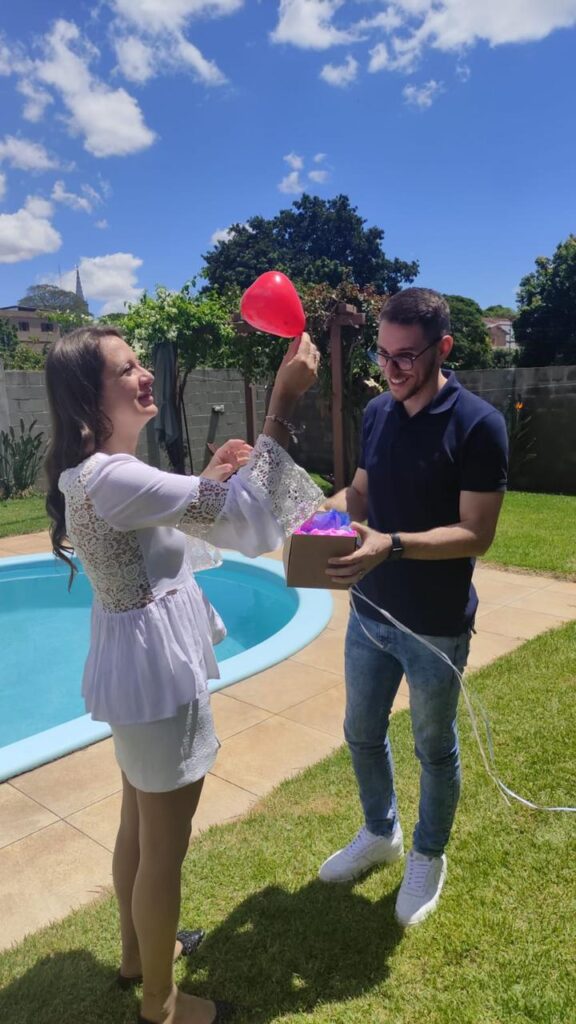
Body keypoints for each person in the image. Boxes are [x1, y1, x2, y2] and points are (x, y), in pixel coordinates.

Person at [44, 326, 322, 1024]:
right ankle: (162, 1005)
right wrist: (281, 404)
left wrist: (210, 479)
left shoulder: (94, 474)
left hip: (134, 676)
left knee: (138, 826)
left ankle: (138, 957)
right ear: (88, 398)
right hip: (160, 680)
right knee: (164, 849)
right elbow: (251, 522)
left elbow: (163, 535)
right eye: (125, 369)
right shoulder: (118, 477)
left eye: (140, 362)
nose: (144, 375)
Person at [318, 288, 508, 928]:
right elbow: (360, 492)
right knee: (360, 732)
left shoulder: (479, 424)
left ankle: (428, 852)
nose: (392, 368)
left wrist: (391, 545)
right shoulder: (377, 412)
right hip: (369, 614)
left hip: (435, 626)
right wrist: (318, 516)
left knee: (433, 746)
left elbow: (476, 533)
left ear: (442, 348)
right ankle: (381, 833)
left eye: (406, 356)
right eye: (383, 354)